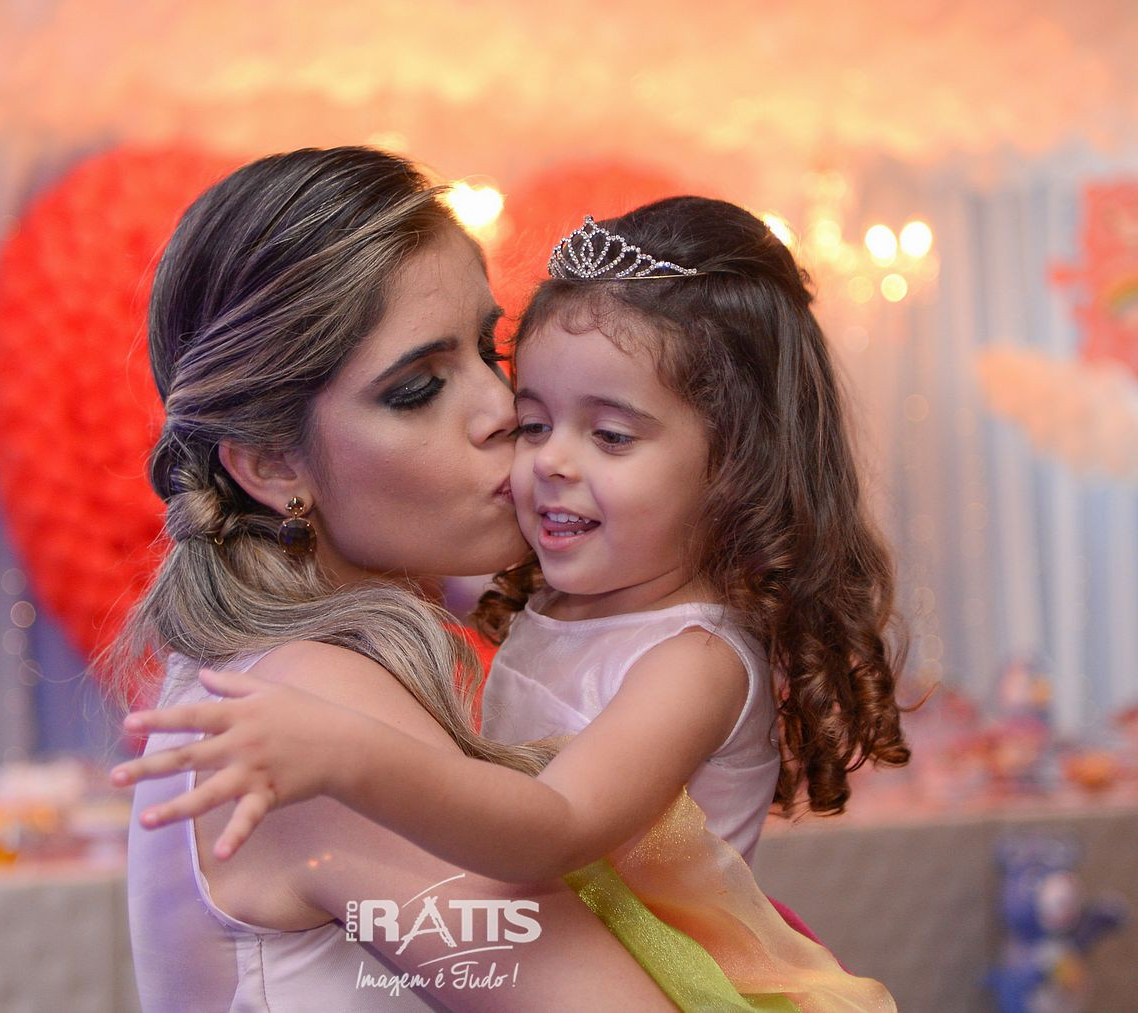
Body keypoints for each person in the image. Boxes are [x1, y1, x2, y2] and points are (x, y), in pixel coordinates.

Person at [115, 197, 911, 1009]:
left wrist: (355, 754)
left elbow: (554, 822)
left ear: (736, 469)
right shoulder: (316, 688)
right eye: (420, 387)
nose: (506, 420)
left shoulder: (692, 658)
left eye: (488, 352)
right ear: (271, 464)